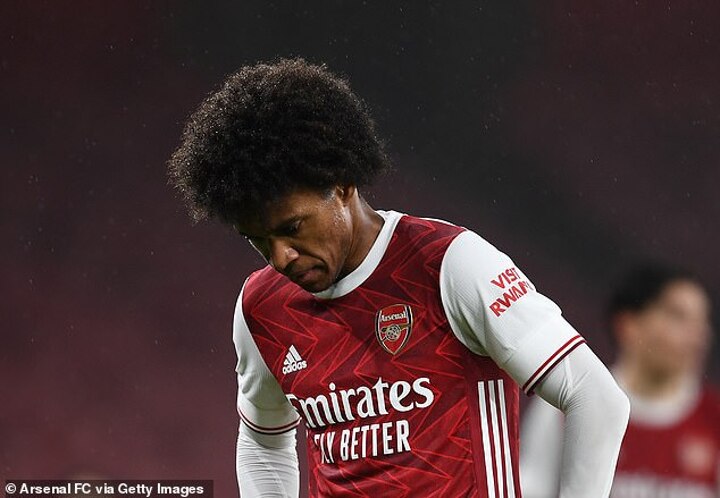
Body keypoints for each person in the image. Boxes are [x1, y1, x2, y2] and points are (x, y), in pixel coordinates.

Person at [167, 58, 629, 497]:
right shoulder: (263, 307)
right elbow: (263, 443)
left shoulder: (447, 263)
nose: (280, 257)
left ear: (342, 185)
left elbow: (594, 396)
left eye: (292, 228)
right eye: (258, 240)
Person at [520, 264, 719, 498]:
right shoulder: (569, 402)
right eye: (678, 317)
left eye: (701, 322)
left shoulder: (714, 416)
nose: (698, 336)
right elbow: (532, 490)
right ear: (629, 325)